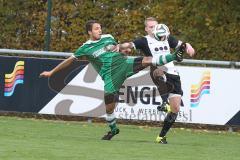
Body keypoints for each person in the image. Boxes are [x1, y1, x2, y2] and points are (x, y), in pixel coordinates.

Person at [39, 20, 186, 141]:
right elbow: (69, 61)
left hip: (124, 64)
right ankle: (113, 130)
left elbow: (120, 49)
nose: (100, 30)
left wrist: (125, 50)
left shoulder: (108, 37)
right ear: (89, 32)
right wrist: (52, 72)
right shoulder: (85, 48)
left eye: (100, 28)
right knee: (109, 108)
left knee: (149, 61)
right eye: (96, 29)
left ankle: (175, 56)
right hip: (110, 76)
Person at [118, 17, 195, 144]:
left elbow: (182, 44)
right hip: (157, 69)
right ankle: (164, 103)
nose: (154, 29)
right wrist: (120, 46)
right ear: (146, 29)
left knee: (175, 108)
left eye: (156, 26)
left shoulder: (166, 37)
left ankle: (161, 136)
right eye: (151, 27)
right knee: (158, 71)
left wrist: (189, 47)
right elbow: (130, 45)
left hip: (173, 74)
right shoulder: (144, 40)